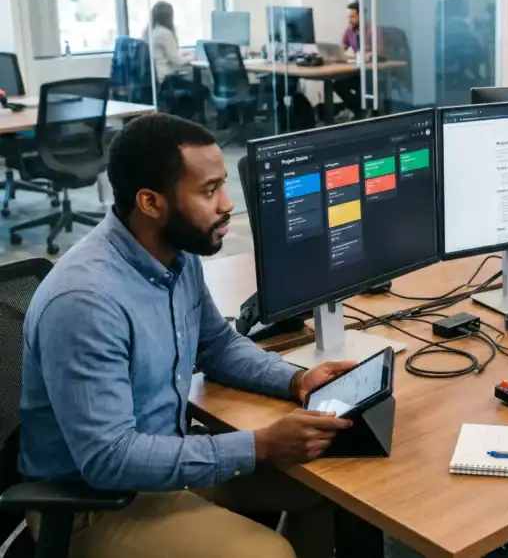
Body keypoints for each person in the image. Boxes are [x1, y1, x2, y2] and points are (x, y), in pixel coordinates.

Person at [19, 114, 371, 558]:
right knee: (267, 553)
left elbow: (217, 344)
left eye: (223, 185)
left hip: (167, 460)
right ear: (151, 202)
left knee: (325, 486)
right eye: (209, 191)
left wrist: (295, 380)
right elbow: (110, 458)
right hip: (94, 505)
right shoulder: (85, 301)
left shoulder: (175, 256)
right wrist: (259, 444)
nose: (227, 204)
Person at [143, 1, 205, 121]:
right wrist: (192, 57)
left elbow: (166, 55)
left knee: (196, 88)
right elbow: (178, 63)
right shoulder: (164, 33)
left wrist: (183, 54)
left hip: (156, 82)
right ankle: (184, 124)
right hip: (166, 83)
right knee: (201, 90)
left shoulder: (151, 32)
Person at [333, 2, 386, 121]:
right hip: (356, 71)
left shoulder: (373, 29)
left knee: (362, 85)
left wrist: (369, 55)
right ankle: (359, 110)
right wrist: (344, 53)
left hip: (371, 72)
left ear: (361, 16)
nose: (349, 20)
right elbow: (342, 48)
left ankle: (362, 111)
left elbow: (380, 53)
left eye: (352, 17)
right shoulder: (350, 30)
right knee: (337, 84)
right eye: (348, 17)